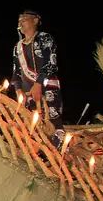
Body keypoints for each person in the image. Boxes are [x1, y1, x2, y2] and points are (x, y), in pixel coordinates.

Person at [10, 9, 64, 144]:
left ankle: (59, 155)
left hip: (47, 90)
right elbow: (16, 72)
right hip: (28, 94)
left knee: (52, 125)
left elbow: (50, 64)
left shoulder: (44, 38)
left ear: (35, 21)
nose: (20, 23)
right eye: (19, 21)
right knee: (32, 128)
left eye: (24, 19)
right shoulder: (18, 47)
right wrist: (18, 90)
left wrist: (38, 84)